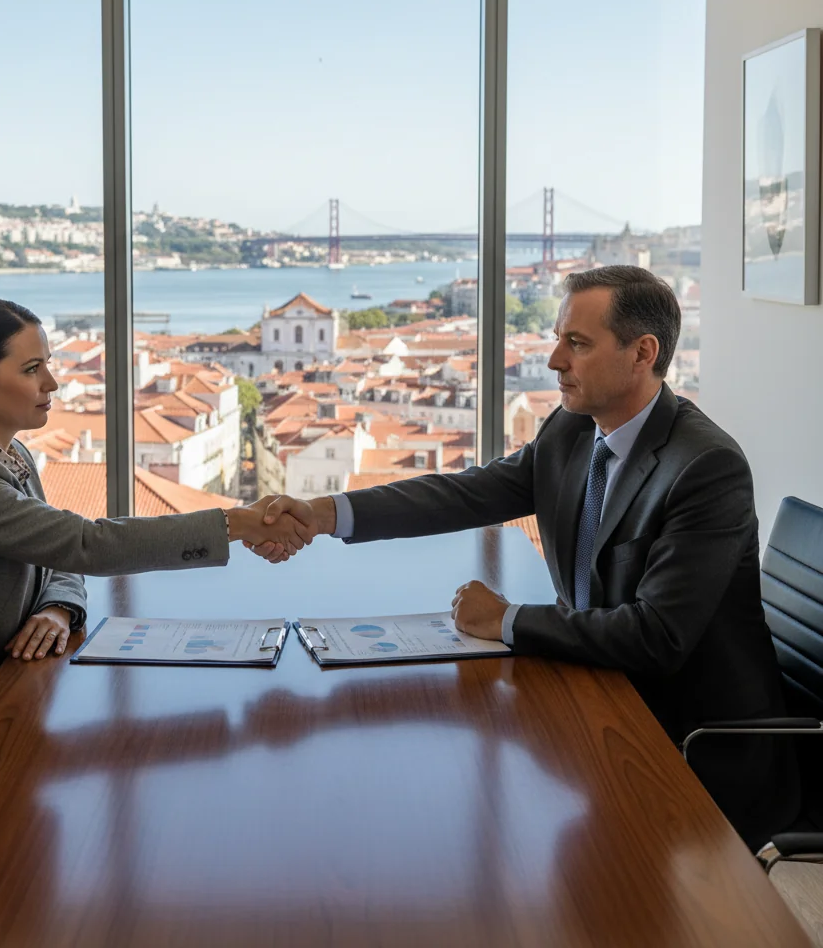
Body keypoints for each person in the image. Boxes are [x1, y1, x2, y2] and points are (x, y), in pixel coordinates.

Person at [252, 265, 798, 849]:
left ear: (643, 353)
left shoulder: (705, 467)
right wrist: (325, 513)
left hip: (685, 743)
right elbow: (467, 493)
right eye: (559, 338)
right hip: (596, 703)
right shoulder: (571, 428)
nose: (554, 360)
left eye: (577, 344)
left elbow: (656, 637)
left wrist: (506, 619)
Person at [0, 298, 311, 819]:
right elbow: (86, 544)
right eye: (32, 369)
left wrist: (58, 608)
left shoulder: (7, 455)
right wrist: (237, 523)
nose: (52, 383)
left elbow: (59, 558)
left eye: (48, 364)